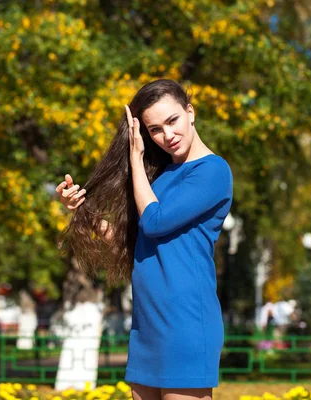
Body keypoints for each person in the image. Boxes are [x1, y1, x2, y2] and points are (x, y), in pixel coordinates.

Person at [56, 79, 233, 400]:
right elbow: (131, 243)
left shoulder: (213, 171)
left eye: (172, 121)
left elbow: (154, 222)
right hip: (147, 323)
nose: (168, 135)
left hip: (187, 320)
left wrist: (135, 159)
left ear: (190, 112)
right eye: (155, 130)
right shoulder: (160, 178)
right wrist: (81, 209)